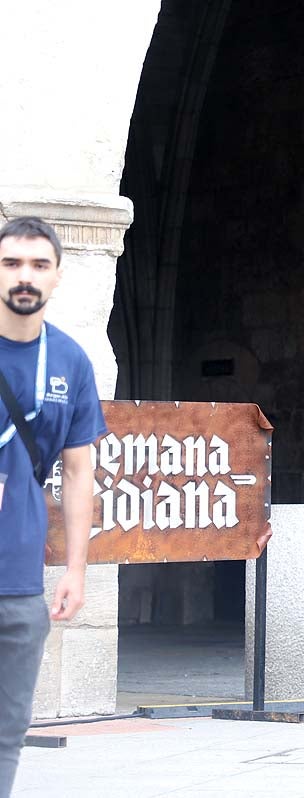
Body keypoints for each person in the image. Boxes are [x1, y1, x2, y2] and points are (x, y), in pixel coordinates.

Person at [0, 217, 107, 795]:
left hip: (18, 583)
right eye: (12, 262)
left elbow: (79, 471)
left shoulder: (69, 361)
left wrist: (74, 568)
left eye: (39, 265)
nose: (25, 276)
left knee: (6, 732)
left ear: (58, 276)